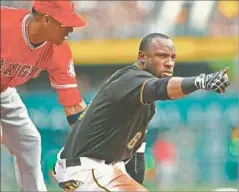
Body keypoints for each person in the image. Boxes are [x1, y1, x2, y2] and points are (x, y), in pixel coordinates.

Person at [53, 33, 230, 191]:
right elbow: (161, 88)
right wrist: (200, 81)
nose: (169, 62)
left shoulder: (145, 104)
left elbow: (136, 158)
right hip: (87, 168)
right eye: (162, 56)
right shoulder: (130, 79)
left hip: (105, 167)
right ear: (142, 57)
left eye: (173, 57)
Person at [0, 1, 87, 191]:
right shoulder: (4, 26)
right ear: (47, 20)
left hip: (4, 91)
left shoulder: (58, 50)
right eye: (65, 23)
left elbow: (73, 105)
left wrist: (94, 139)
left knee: (29, 142)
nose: (71, 29)